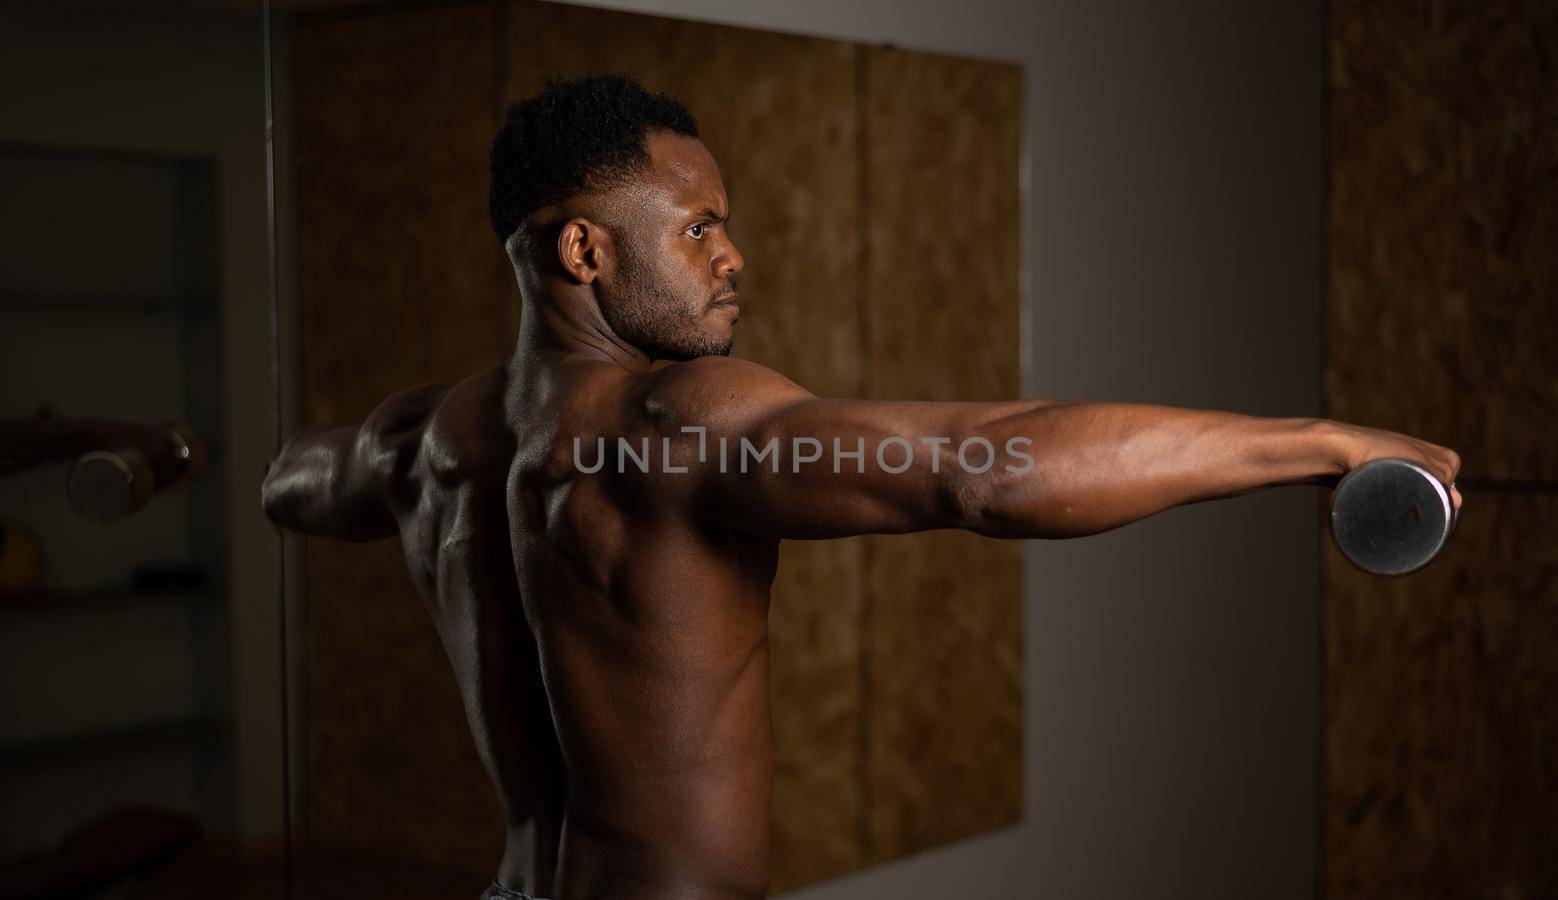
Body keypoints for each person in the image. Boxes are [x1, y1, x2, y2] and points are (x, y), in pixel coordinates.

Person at [261, 73, 1462, 900]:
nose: (734, 258)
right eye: (697, 227)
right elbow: (984, 469)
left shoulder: (426, 440)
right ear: (584, 250)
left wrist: (172, 451)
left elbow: (287, 482)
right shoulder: (680, 423)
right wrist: (1321, 440)